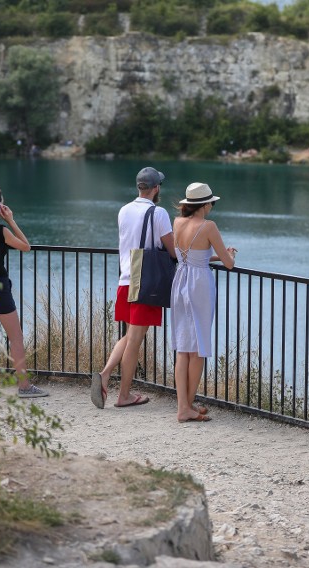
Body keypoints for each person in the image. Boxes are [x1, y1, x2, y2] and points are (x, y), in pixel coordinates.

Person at [91, 167, 176, 409]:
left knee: (129, 335)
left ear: (139, 186)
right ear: (156, 188)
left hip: (125, 278)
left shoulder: (124, 210)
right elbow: (171, 249)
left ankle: (105, 375)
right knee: (135, 340)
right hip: (145, 281)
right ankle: (124, 395)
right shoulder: (158, 213)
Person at [170, 183, 237, 422]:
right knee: (198, 348)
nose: (212, 207)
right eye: (212, 203)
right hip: (199, 284)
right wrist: (229, 254)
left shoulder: (177, 223)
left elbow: (190, 253)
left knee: (183, 347)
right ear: (205, 204)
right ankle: (186, 407)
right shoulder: (208, 226)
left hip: (180, 280)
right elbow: (229, 264)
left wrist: (216, 255)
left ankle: (184, 406)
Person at [0, 186, 48, 398]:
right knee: (15, 337)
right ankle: (24, 386)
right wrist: (11, 221)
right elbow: (26, 246)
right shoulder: (0, 231)